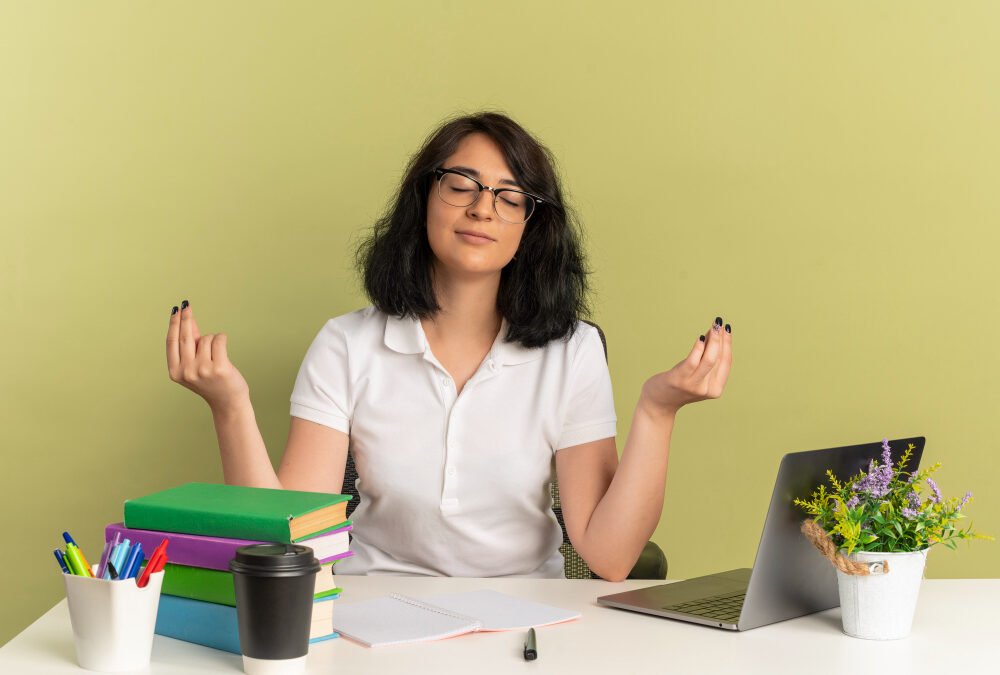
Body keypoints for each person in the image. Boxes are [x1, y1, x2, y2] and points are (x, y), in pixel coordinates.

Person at [164, 111, 733, 581]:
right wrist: (229, 407)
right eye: (461, 185)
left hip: (526, 620)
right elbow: (294, 542)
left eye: (511, 197)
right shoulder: (347, 344)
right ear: (424, 199)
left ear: (532, 226)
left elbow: (609, 558)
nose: (482, 208)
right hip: (374, 614)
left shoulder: (572, 351)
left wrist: (658, 412)